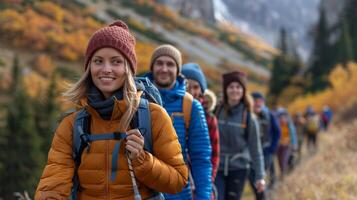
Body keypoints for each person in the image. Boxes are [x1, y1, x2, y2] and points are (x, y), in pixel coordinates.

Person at [35, 21, 188, 200]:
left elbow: (177, 181)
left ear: (128, 69)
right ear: (89, 67)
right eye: (98, 61)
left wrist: (141, 159)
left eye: (116, 62)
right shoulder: (73, 124)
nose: (106, 69)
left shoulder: (154, 117)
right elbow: (53, 185)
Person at [147, 45, 212, 200]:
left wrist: (204, 196)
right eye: (159, 63)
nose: (164, 69)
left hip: (178, 194)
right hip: (142, 193)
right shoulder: (137, 99)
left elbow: (201, 157)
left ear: (178, 70)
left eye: (170, 64)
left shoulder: (191, 106)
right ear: (152, 67)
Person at [215, 71, 265, 200]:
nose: (234, 90)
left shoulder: (249, 118)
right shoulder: (216, 111)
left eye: (238, 87)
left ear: (243, 91)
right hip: (217, 168)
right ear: (226, 90)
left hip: (239, 168)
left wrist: (260, 176)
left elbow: (256, 148)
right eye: (231, 87)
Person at [182, 63, 220, 200]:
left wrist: (207, 181)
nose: (191, 91)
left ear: (202, 90)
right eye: (187, 85)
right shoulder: (174, 111)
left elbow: (214, 154)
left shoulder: (209, 118)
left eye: (196, 87)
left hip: (201, 177)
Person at [249, 92, 281, 199]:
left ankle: (262, 196)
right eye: (255, 101)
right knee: (253, 180)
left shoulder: (268, 115)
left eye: (260, 101)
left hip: (265, 152)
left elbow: (277, 131)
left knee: (260, 179)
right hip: (249, 154)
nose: (258, 104)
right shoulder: (246, 115)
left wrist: (272, 148)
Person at [276, 108, 298, 179]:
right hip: (279, 145)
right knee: (279, 160)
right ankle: (283, 171)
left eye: (283, 117)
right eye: (280, 117)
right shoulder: (277, 126)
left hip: (287, 145)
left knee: (284, 159)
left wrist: (294, 145)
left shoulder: (289, 125)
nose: (282, 119)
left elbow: (293, 135)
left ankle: (283, 173)